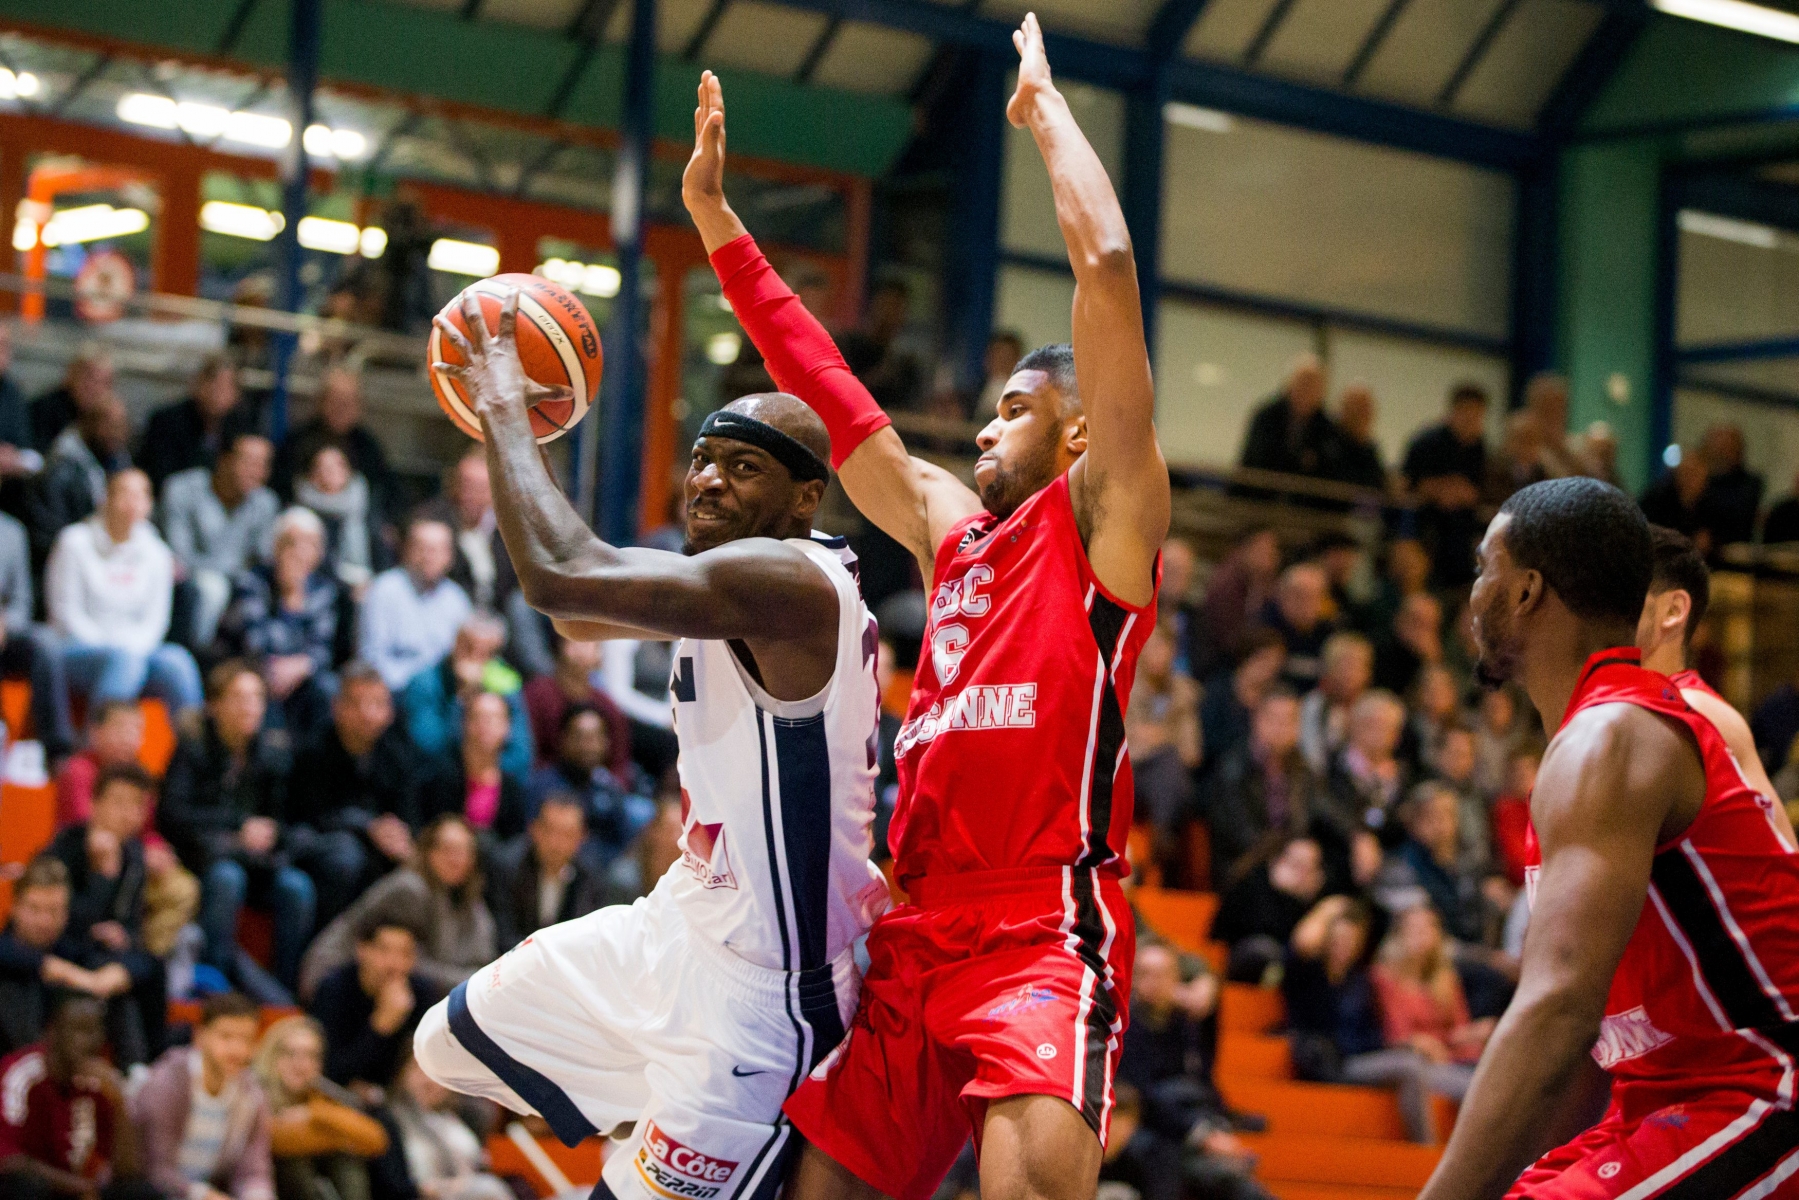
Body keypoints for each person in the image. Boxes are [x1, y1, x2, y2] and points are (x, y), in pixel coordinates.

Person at [688, 35, 1170, 1197]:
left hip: (1039, 927)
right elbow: (828, 393)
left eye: (1014, 409)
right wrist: (715, 220)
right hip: (915, 930)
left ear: (1074, 433)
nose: (986, 429)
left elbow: (1103, 263)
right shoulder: (951, 535)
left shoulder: (1103, 521)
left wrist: (1043, 112)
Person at [413, 86, 887, 1200]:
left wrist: (499, 404)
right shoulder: (722, 583)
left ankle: (693, 1146)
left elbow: (561, 577)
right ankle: (654, 1135)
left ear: (805, 495)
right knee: (447, 1043)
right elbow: (577, 606)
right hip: (674, 930)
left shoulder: (792, 581)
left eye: (746, 467)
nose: (710, 478)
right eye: (704, 458)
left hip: (767, 994)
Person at [1417, 476, 1799, 1197]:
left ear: (1526, 590)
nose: (1470, 594)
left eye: (1481, 569)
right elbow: (1580, 1048)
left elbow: (1557, 1010)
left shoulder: (1614, 734)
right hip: (1663, 1099)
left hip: (1764, 1088)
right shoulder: (1594, 736)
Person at [159, 661, 311, 995]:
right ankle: (212, 985)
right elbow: (173, 813)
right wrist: (239, 829)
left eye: (257, 697)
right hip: (204, 857)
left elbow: (289, 819)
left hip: (258, 861)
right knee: (228, 878)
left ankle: (286, 991)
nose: (249, 706)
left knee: (296, 887)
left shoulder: (272, 753)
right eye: (239, 697)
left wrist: (272, 833)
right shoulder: (193, 746)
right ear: (213, 705)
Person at [1638, 525, 1791, 831]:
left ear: (1673, 610)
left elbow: (1784, 859)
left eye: (1625, 596)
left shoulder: (1692, 709)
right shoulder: (1650, 704)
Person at [45, 468, 203, 718]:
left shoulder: (157, 552)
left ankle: (195, 751)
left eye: (141, 495)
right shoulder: (74, 542)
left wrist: (130, 650)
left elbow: (156, 621)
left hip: (137, 651)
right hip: (78, 649)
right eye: (125, 494)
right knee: (123, 661)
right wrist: (115, 649)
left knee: (179, 663)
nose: (133, 503)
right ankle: (99, 751)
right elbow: (66, 614)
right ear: (105, 499)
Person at [44, 767, 168, 1068]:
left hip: (109, 955)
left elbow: (132, 923)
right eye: (118, 802)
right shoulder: (65, 847)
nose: (127, 813)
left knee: (152, 965)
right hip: (65, 951)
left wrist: (124, 934)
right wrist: (101, 876)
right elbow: (53, 922)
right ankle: (135, 1067)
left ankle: (154, 1058)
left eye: (136, 805)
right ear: (94, 804)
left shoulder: (134, 854)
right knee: (117, 985)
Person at [300, 815, 494, 1001]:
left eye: (464, 852)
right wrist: (473, 982)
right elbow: (408, 963)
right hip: (337, 980)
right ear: (427, 852)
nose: (456, 860)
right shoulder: (410, 890)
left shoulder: (469, 900)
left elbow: (484, 958)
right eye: (447, 850)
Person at [286, 662, 420, 922]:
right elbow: (309, 816)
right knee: (346, 858)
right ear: (337, 706)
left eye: (377, 704)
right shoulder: (313, 752)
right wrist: (369, 827)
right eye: (357, 703)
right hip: (321, 851)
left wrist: (402, 838)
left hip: (378, 853)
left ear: (390, 711)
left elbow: (409, 816)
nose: (367, 714)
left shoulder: (397, 754)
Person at [0, 994, 156, 1200]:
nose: (93, 1040)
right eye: (81, 1029)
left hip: (77, 1186)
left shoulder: (98, 1080)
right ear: (52, 1031)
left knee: (141, 1192)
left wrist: (118, 1100)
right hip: (38, 1185)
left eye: (97, 1029)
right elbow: (8, 1160)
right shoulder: (21, 1074)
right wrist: (77, 1187)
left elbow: (127, 1170)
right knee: (23, 1188)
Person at [217, 506, 353, 738]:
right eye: (291, 542)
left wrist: (301, 665)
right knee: (259, 685)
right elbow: (254, 643)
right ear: (276, 546)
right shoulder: (253, 582)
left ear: (319, 552)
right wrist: (289, 602)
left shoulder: (324, 591)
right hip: (252, 667)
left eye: (309, 543)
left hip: (300, 677)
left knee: (327, 688)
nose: (300, 551)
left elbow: (322, 650)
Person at [130, 992, 275, 1200]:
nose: (237, 1049)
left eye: (246, 1039)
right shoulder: (167, 1083)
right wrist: (203, 1195)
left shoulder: (252, 1094)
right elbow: (155, 1170)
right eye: (226, 1037)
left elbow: (253, 1169)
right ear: (200, 1036)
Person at [0, 858, 142, 1060]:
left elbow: (148, 963)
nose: (44, 921)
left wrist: (117, 974)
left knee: (117, 986)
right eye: (34, 908)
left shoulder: (70, 945)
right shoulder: (6, 947)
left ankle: (134, 1069)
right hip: (13, 1063)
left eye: (54, 911)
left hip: (68, 1062)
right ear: (15, 906)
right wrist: (62, 971)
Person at [159, 433, 279, 648]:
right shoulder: (182, 489)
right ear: (224, 460)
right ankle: (196, 656)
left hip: (240, 583)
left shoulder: (265, 502)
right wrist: (233, 569)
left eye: (263, 465)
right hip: (188, 583)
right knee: (213, 587)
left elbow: (262, 558)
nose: (257, 472)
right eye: (250, 463)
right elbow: (180, 557)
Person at [252, 1015, 388, 1200]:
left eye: (312, 1056)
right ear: (272, 1055)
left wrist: (314, 1114)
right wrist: (338, 1135)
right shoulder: (255, 1091)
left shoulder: (321, 1094)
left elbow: (377, 1139)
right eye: (291, 1053)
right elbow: (275, 1139)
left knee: (347, 1162)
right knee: (295, 1163)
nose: (302, 1064)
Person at [309, 916, 441, 1097]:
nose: (394, 964)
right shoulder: (334, 989)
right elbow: (329, 1073)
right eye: (384, 951)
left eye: (405, 954)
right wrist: (380, 1027)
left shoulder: (421, 993)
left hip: (394, 1099)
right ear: (362, 949)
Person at [1201, 689, 1319, 891]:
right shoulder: (1233, 767)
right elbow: (1240, 833)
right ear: (1257, 720)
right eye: (1274, 719)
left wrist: (1356, 835)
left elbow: (1316, 814)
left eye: (1289, 720)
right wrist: (1282, 859)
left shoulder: (1302, 768)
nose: (1281, 727)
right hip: (1243, 865)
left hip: (1290, 863)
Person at [399, 613, 532, 782]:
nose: (475, 658)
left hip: (493, 785)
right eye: (468, 647)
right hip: (438, 784)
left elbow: (521, 756)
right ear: (455, 642)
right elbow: (429, 747)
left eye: (486, 653)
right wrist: (463, 699)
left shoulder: (507, 682)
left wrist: (484, 772)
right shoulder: (424, 681)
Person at [526, 704, 652, 864]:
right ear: (563, 739)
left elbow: (624, 842)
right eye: (580, 737)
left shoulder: (609, 788)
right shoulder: (541, 787)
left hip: (599, 875)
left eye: (595, 738)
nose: (588, 746)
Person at [487, 792, 614, 950]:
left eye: (567, 834)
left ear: (582, 837)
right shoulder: (507, 866)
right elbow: (503, 935)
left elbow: (590, 940)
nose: (556, 843)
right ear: (534, 829)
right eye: (550, 831)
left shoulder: (592, 877)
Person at [357, 516, 470, 692]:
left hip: (445, 688)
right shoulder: (384, 589)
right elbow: (372, 656)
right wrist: (417, 682)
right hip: (397, 689)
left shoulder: (456, 597)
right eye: (422, 548)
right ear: (407, 550)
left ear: (449, 556)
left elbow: (464, 654)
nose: (429, 556)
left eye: (437, 550)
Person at [274, 369, 398, 527]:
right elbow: (281, 489)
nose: (341, 408)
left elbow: (386, 492)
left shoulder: (368, 446)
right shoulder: (296, 441)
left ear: (359, 407)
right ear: (320, 402)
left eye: (348, 402)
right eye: (335, 401)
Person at [1281, 896, 1384, 1085]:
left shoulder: (1360, 981)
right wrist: (1327, 908)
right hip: (1318, 1058)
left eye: (1350, 940)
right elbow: (1303, 942)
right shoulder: (1308, 970)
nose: (1344, 945)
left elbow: (1372, 1032)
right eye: (1339, 939)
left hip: (1353, 1056)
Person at [0, 503, 75, 757]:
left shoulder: (11, 531)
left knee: (46, 642)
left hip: (3, 630)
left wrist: (5, 621)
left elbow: (21, 600)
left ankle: (57, 751)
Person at [386, 1055, 512, 1200]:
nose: (428, 1080)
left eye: (436, 1071)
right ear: (401, 1072)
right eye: (418, 1068)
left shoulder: (460, 1118)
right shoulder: (390, 1120)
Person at [28, 397, 130, 573]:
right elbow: (51, 534)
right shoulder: (59, 469)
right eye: (110, 426)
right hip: (70, 561)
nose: (117, 434)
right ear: (87, 423)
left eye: (121, 426)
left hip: (112, 556)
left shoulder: (119, 461)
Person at [1404, 382, 1490, 590]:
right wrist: (1442, 490)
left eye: (1477, 415)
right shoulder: (1427, 442)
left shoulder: (1479, 448)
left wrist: (1464, 493)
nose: (1471, 421)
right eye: (1467, 413)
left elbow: (1480, 489)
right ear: (1454, 411)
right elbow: (1408, 482)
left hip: (1461, 528)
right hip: (1426, 522)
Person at [137, 354, 262, 494]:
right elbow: (160, 475)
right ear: (199, 384)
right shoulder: (167, 420)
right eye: (215, 385)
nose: (219, 394)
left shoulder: (242, 426)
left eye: (227, 387)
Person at [415, 691, 529, 844]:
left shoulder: (512, 788)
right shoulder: (435, 775)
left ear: (507, 728)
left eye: (494, 718)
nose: (486, 724)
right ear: (464, 723)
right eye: (479, 717)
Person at [521, 633, 631, 770]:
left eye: (589, 644)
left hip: (595, 785)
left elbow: (619, 763)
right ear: (560, 646)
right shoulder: (536, 694)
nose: (581, 650)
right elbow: (528, 752)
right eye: (574, 642)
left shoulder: (607, 705)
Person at [1238, 354, 1335, 482]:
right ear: (1290, 384)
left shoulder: (1327, 428)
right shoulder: (1266, 416)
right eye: (1303, 382)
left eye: (1313, 385)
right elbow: (1258, 459)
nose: (1306, 390)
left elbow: (1327, 469)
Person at [293, 443, 376, 589]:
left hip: (355, 586)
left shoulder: (366, 513)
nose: (331, 472)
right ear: (312, 474)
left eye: (338, 465)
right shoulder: (297, 517)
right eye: (324, 466)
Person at [1298, 632, 1373, 776]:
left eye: (1357, 666)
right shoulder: (1313, 705)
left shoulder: (1374, 709)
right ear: (1328, 668)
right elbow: (1311, 757)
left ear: (1367, 672)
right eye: (1343, 665)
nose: (1349, 673)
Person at [1261, 562, 1335, 690]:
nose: (1305, 604)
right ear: (1281, 595)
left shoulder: (1329, 633)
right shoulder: (1263, 630)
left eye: (1312, 597)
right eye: (1298, 595)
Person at [29, 344, 114, 454]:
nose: (94, 388)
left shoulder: (105, 419)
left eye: (103, 383)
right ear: (72, 374)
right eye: (89, 378)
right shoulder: (44, 409)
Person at [1694, 423, 1763, 547]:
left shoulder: (1750, 483)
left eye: (1726, 447)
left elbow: (1739, 516)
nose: (1720, 452)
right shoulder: (1700, 479)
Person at [1327, 383, 1386, 494]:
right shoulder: (1326, 442)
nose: (1363, 416)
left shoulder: (1370, 450)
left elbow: (1378, 488)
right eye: (1357, 409)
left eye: (1366, 409)